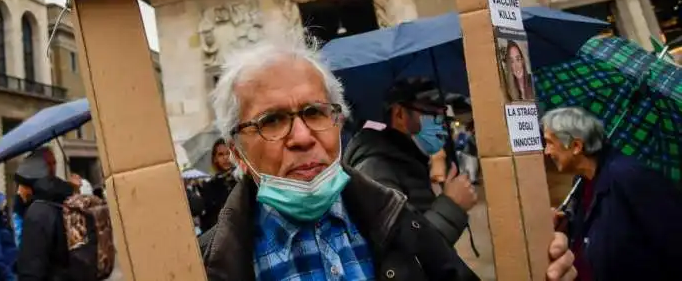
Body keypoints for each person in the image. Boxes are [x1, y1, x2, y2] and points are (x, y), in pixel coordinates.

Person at [199, 37, 577, 281]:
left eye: (315, 113)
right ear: (236, 152)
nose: (302, 137)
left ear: (337, 121)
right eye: (273, 120)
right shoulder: (202, 265)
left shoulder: (397, 219)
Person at [543, 106, 682, 280]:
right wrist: (567, 225)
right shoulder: (582, 182)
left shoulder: (631, 178)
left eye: (550, 143)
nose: (546, 152)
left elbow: (673, 242)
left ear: (576, 146)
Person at [344, 77, 477, 246]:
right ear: (400, 114)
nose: (442, 123)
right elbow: (405, 251)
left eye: (443, 115)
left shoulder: (408, 160)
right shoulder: (374, 169)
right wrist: (452, 206)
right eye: (432, 114)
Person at [15, 147, 76, 281]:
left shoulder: (37, 212)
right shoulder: (66, 197)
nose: (18, 191)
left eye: (20, 184)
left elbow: (31, 270)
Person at [198, 139, 238, 232]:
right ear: (215, 158)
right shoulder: (209, 186)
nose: (225, 157)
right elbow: (207, 218)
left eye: (228, 153)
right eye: (220, 154)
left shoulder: (243, 177)